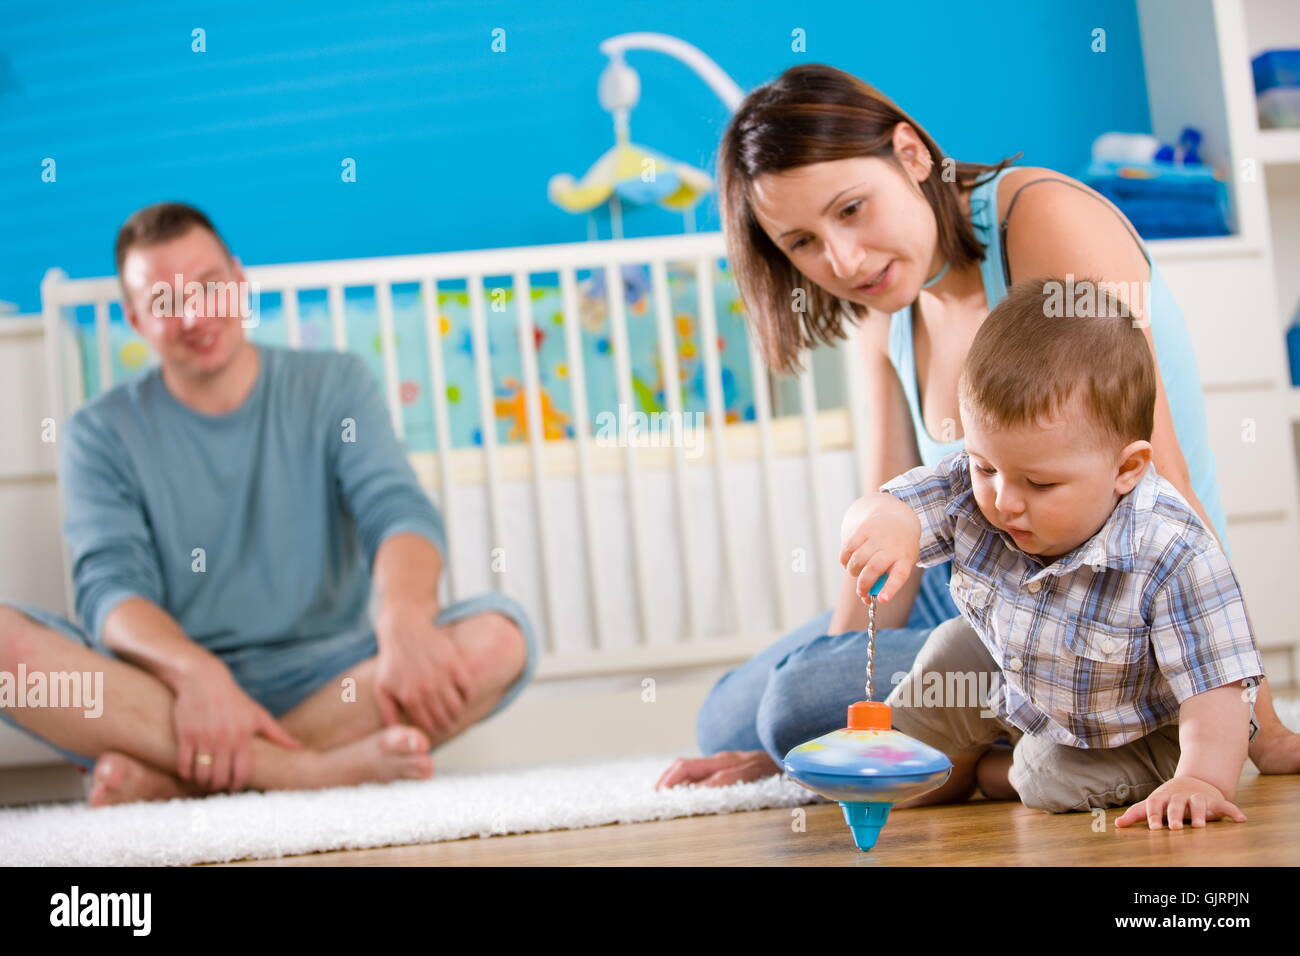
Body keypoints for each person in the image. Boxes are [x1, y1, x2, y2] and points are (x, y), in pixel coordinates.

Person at [656, 62, 1299, 793]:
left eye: (851, 209)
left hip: (1101, 593)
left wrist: (1257, 721)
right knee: (735, 717)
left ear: (910, 154)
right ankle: (973, 746)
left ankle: (1010, 760)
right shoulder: (884, 299)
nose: (842, 260)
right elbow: (891, 518)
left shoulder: (1044, 222)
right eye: (801, 242)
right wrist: (808, 733)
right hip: (979, 572)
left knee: (797, 701)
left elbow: (1164, 481)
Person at [0, 202, 537, 806]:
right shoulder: (98, 432)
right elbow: (110, 593)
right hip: (167, 693)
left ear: (240, 279)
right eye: (167, 302)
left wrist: (406, 615)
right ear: (136, 319)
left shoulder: (336, 383)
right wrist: (194, 672)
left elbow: (396, 510)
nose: (196, 314)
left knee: (500, 638)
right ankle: (302, 773)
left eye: (209, 286)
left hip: (333, 677)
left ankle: (182, 780)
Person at [839, 277, 1262, 827]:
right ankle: (952, 765)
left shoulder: (1173, 551)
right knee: (947, 655)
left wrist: (1201, 778)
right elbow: (884, 505)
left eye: (1039, 484)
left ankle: (998, 774)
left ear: (1126, 469)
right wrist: (885, 524)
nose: (1004, 501)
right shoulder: (980, 489)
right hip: (1035, 684)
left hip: (1143, 732)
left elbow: (1217, 690)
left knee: (1043, 776)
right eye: (985, 466)